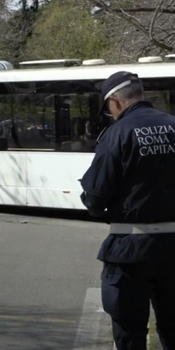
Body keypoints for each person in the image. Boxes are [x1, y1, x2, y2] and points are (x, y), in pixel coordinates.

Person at [81, 71, 175, 350]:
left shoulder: (116, 134)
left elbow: (95, 198)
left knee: (129, 331)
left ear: (115, 102)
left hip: (130, 251)